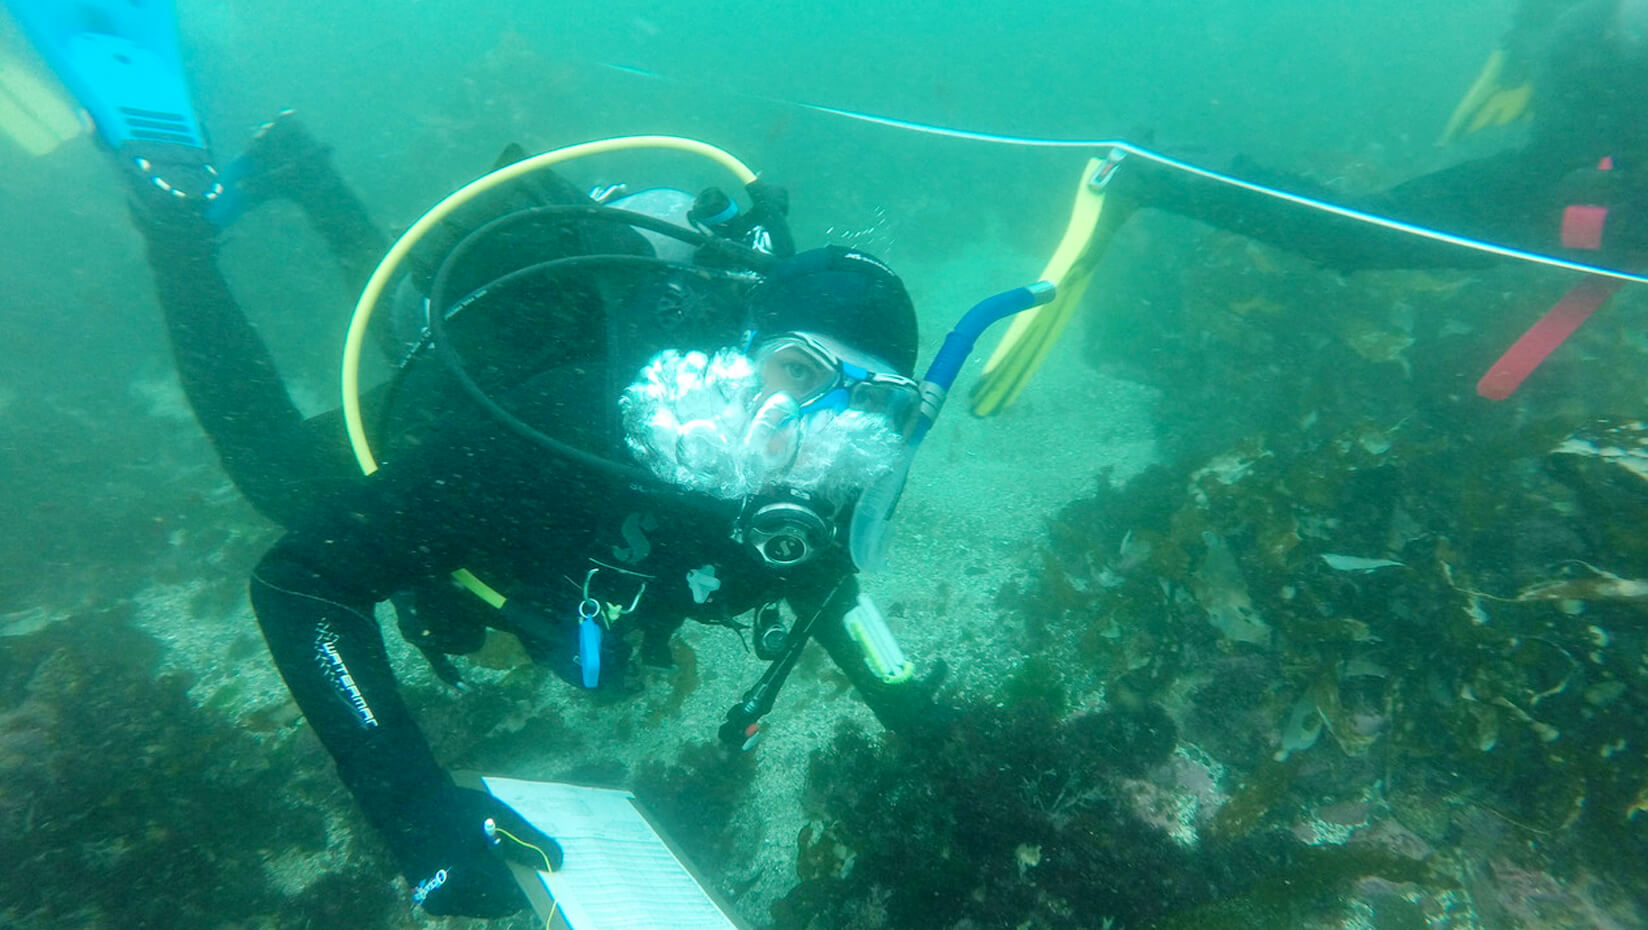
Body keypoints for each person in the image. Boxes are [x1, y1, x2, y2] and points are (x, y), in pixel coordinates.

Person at [8, 2, 951, 918]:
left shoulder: (832, 471)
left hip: (521, 426)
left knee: (410, 326)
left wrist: (926, 728)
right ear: (743, 347)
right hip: (481, 428)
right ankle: (173, 221)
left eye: (871, 397)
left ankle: (307, 173)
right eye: (800, 371)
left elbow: (827, 588)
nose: (823, 422)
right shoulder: (564, 429)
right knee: (283, 473)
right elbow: (303, 584)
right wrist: (417, 813)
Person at [974, 0, 1648, 412]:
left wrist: (1522, 44)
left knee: (1373, 235)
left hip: (1593, 101)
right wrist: (1528, 50)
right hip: (1596, 136)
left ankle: (1155, 171)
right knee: (1367, 235)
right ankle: (1151, 171)